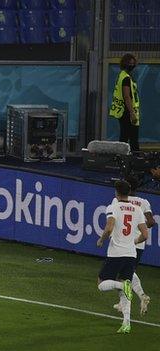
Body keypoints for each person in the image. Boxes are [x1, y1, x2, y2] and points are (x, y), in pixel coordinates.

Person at [96, 180, 149, 334]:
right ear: (129, 192)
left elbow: (110, 227)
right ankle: (126, 323)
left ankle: (121, 286)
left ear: (116, 192)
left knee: (101, 284)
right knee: (126, 285)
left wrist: (101, 239)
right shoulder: (137, 210)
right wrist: (134, 242)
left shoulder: (113, 207)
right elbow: (145, 234)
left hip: (116, 253)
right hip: (131, 254)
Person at [110, 176, 155, 316]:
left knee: (120, 275)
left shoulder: (119, 200)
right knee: (128, 273)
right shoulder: (144, 202)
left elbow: (113, 219)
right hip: (138, 243)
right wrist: (138, 226)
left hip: (123, 242)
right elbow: (151, 222)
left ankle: (133, 299)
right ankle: (139, 297)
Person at [110, 53, 140, 151]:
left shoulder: (122, 75)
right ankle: (135, 160)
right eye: (130, 63)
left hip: (123, 110)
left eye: (133, 63)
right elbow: (127, 96)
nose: (132, 65)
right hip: (127, 111)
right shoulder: (126, 78)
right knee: (133, 138)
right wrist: (132, 113)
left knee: (124, 136)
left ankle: (122, 159)